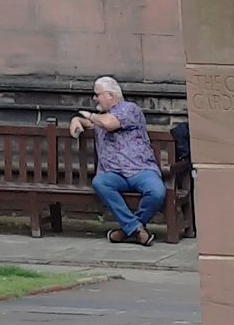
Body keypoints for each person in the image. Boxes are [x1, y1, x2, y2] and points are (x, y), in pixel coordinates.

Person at [70, 76, 165, 246]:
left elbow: (110, 124)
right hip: (114, 174)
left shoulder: (129, 109)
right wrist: (76, 119)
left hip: (140, 170)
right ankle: (136, 229)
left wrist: (90, 115)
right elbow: (91, 123)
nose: (94, 98)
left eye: (97, 94)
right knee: (100, 182)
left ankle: (128, 229)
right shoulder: (101, 117)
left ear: (110, 95)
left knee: (157, 192)